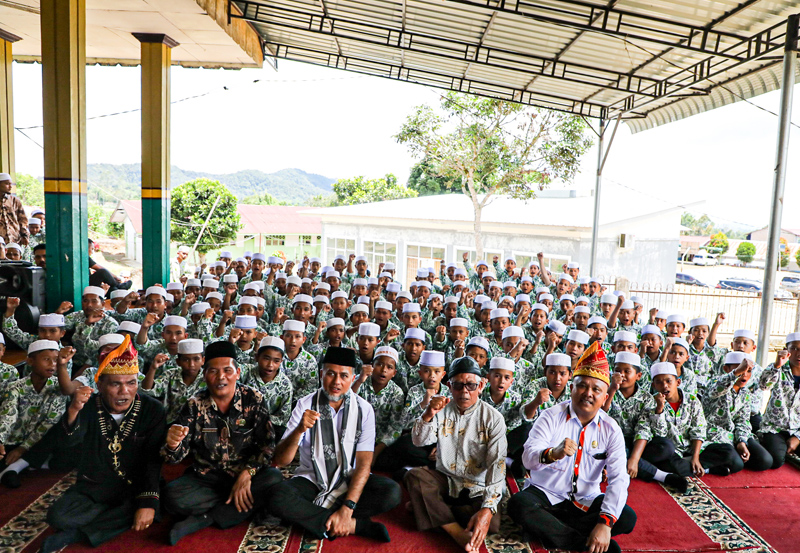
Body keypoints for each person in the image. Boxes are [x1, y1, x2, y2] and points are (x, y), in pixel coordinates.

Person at [508, 341, 637, 553]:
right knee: (518, 505)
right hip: (545, 494)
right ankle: (581, 543)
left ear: (605, 397)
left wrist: (604, 524)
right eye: (582, 386)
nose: (588, 393)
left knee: (626, 518)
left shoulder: (611, 429)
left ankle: (551, 531)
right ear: (571, 388)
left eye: (596, 389)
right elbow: (527, 459)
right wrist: (552, 454)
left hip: (585, 500)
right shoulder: (550, 416)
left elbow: (618, 479)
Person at [41, 336, 167, 552]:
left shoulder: (152, 409)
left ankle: (80, 533)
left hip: (134, 485)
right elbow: (66, 448)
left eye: (131, 383)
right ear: (99, 384)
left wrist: (147, 501)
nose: (124, 391)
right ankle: (110, 517)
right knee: (57, 517)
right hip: (95, 485)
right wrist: (73, 411)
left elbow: (152, 459)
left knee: (158, 504)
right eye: (115, 384)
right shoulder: (87, 406)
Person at [266, 346, 401, 543]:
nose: (337, 382)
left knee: (391, 492)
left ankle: (323, 518)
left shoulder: (364, 410)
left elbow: (364, 463)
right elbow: (281, 460)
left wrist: (347, 508)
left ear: (353, 378)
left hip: (349, 477)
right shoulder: (305, 405)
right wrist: (299, 430)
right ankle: (356, 525)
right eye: (330, 374)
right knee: (276, 496)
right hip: (312, 479)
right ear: (321, 374)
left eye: (344, 376)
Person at [162, 341, 283, 545]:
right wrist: (173, 445)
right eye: (213, 371)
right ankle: (241, 507)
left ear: (238, 372)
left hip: (245, 475)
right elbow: (175, 458)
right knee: (172, 496)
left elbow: (267, 445)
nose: (221, 378)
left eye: (227, 370)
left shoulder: (253, 399)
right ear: (204, 374)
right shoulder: (194, 405)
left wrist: (247, 474)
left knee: (274, 479)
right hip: (207, 478)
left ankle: (204, 519)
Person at [404, 356, 507, 552]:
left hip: (477, 484)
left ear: (481, 385)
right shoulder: (441, 410)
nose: (464, 392)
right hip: (447, 478)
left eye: (471, 385)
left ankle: (430, 507)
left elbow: (497, 464)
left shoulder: (493, 418)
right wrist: (428, 413)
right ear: (449, 386)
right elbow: (418, 441)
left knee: (491, 525)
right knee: (414, 476)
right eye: (458, 385)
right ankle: (456, 533)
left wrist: (487, 509)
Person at [0, 173, 28, 246]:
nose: (10, 187)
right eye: (7, 184)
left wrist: (24, 235)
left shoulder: (14, 200)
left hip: (14, 240)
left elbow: (22, 219)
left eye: (11, 184)